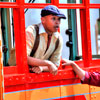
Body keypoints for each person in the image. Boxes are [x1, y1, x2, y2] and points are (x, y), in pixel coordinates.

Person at [26, 5, 66, 75]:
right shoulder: (31, 32)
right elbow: (23, 58)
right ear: (43, 20)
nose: (57, 22)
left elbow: (55, 65)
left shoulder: (58, 38)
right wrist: (47, 63)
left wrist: (42, 68)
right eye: (53, 18)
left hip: (34, 75)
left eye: (59, 19)